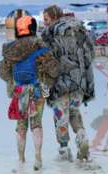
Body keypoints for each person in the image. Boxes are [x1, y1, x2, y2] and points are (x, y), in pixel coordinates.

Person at [0, 15, 60, 170]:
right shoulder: (40, 46)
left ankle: (21, 159)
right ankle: (38, 157)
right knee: (36, 123)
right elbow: (54, 71)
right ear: (33, 28)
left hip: (18, 91)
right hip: (38, 91)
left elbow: (3, 73)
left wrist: (13, 83)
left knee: (21, 124)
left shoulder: (10, 48)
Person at [41, 5, 95, 161]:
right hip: (79, 82)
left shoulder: (49, 34)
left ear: (53, 17)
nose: (44, 23)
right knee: (74, 112)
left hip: (59, 83)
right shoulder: (80, 30)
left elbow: (45, 61)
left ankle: (64, 149)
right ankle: (82, 136)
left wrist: (45, 87)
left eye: (46, 19)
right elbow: (90, 54)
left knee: (60, 116)